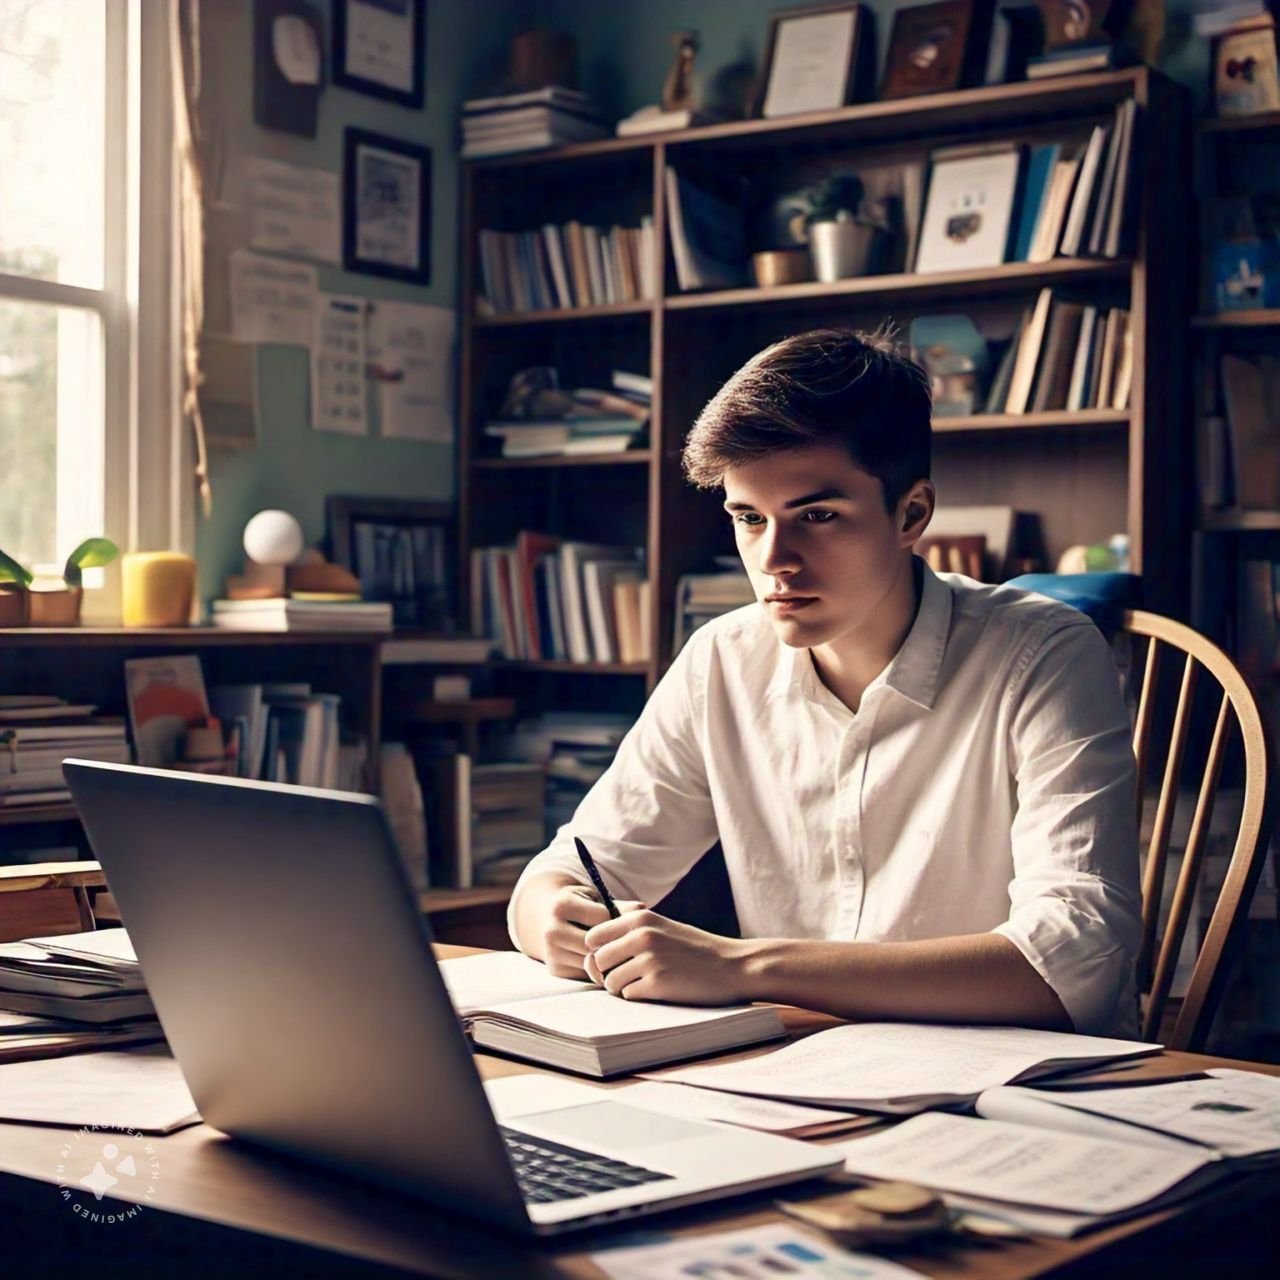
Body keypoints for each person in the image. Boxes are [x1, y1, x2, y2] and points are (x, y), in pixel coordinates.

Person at [509, 328, 1142, 1038]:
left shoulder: (1044, 652)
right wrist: (552, 914)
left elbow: (1077, 960)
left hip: (1021, 1092)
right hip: (806, 1075)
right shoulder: (721, 660)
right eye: (749, 518)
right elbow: (572, 869)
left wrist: (746, 968)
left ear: (912, 514)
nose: (775, 560)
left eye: (817, 516)